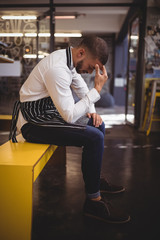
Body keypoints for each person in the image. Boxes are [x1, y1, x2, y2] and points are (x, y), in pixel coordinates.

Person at [9, 35, 130, 224]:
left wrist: (92, 112)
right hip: (32, 124)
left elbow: (82, 89)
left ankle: (94, 180)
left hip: (48, 113)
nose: (90, 72)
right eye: (91, 67)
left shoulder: (69, 59)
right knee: (94, 138)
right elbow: (69, 115)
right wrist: (96, 91)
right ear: (81, 52)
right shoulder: (57, 69)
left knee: (98, 125)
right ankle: (93, 201)